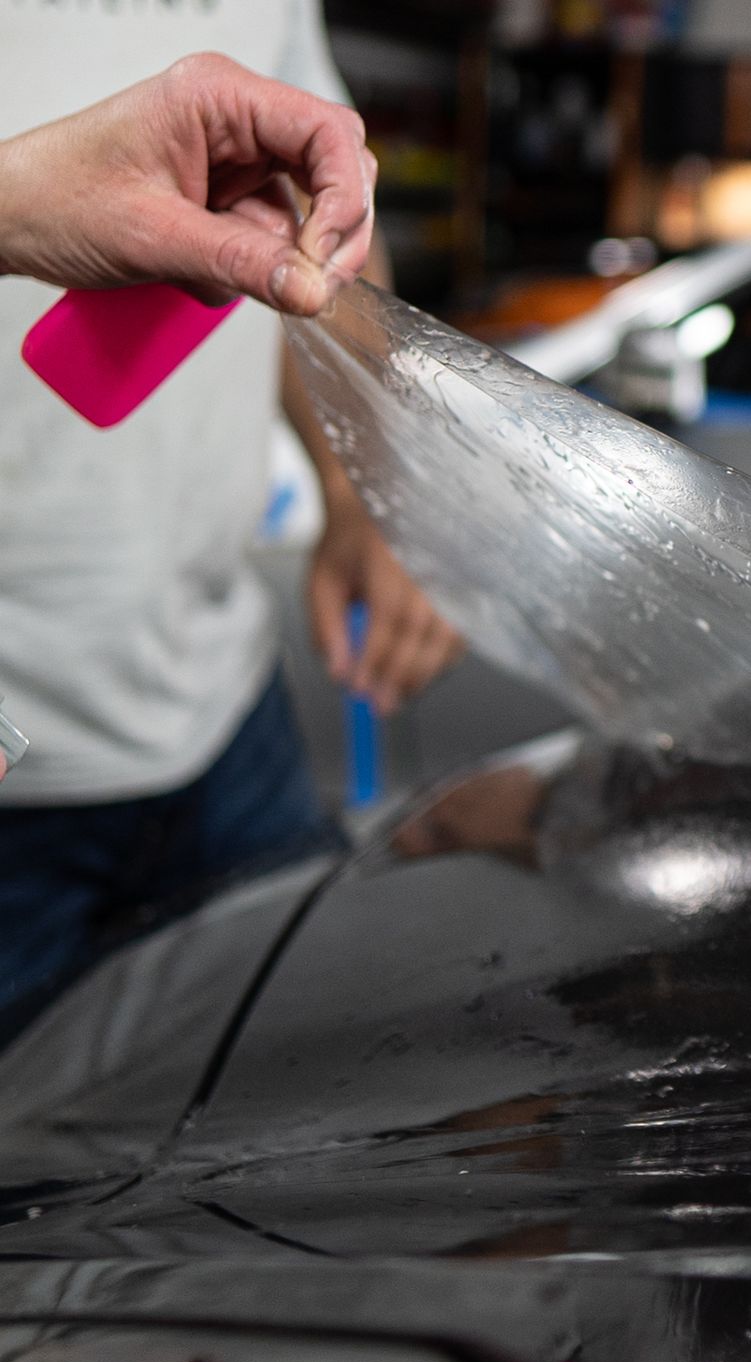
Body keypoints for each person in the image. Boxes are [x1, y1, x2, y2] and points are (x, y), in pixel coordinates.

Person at [0, 13, 465, 1019]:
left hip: (228, 718)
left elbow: (311, 231)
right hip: (17, 762)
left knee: (273, 1139)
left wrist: (358, 490)